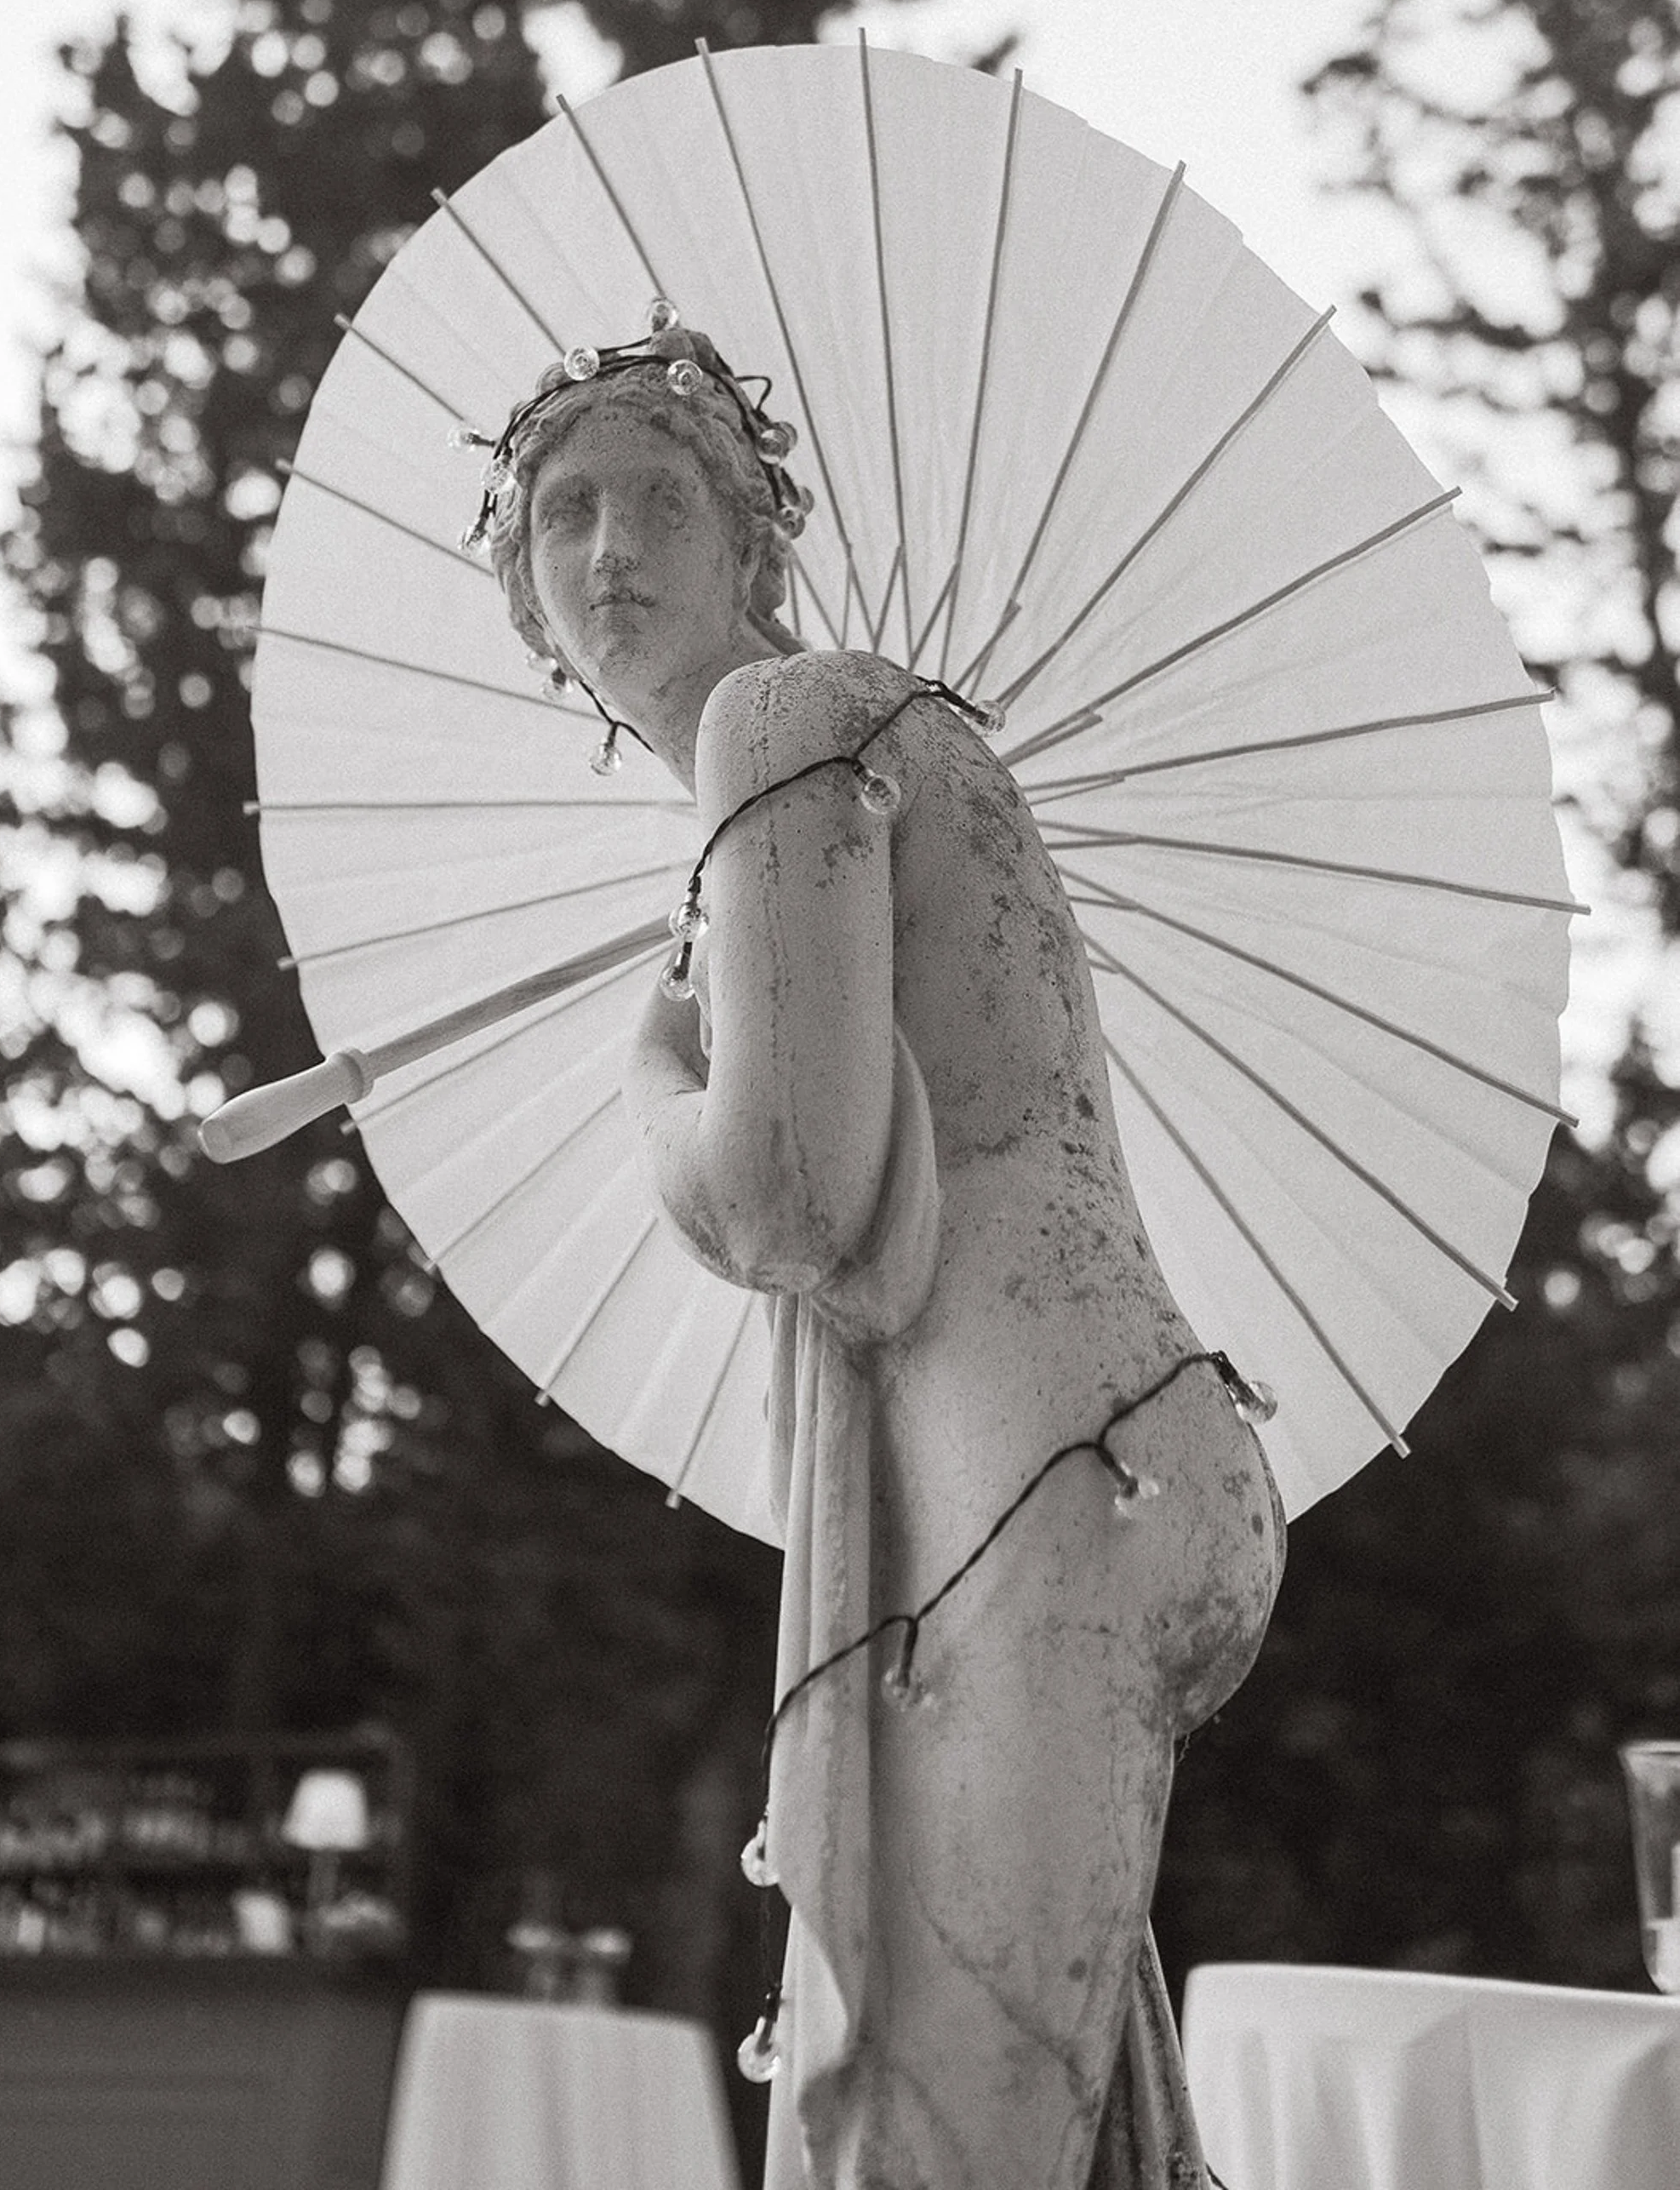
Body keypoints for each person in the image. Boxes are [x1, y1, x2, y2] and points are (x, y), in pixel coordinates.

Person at [476, 312, 1285, 2190]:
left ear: (759, 549)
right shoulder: (812, 758)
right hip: (1094, 1457)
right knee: (1076, 2142)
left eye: (663, 500)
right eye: (560, 516)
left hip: (1041, 1485)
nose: (608, 553)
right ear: (524, 606)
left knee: (943, 2155)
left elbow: (784, 1193)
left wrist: (647, 1076)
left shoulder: (789, 720)